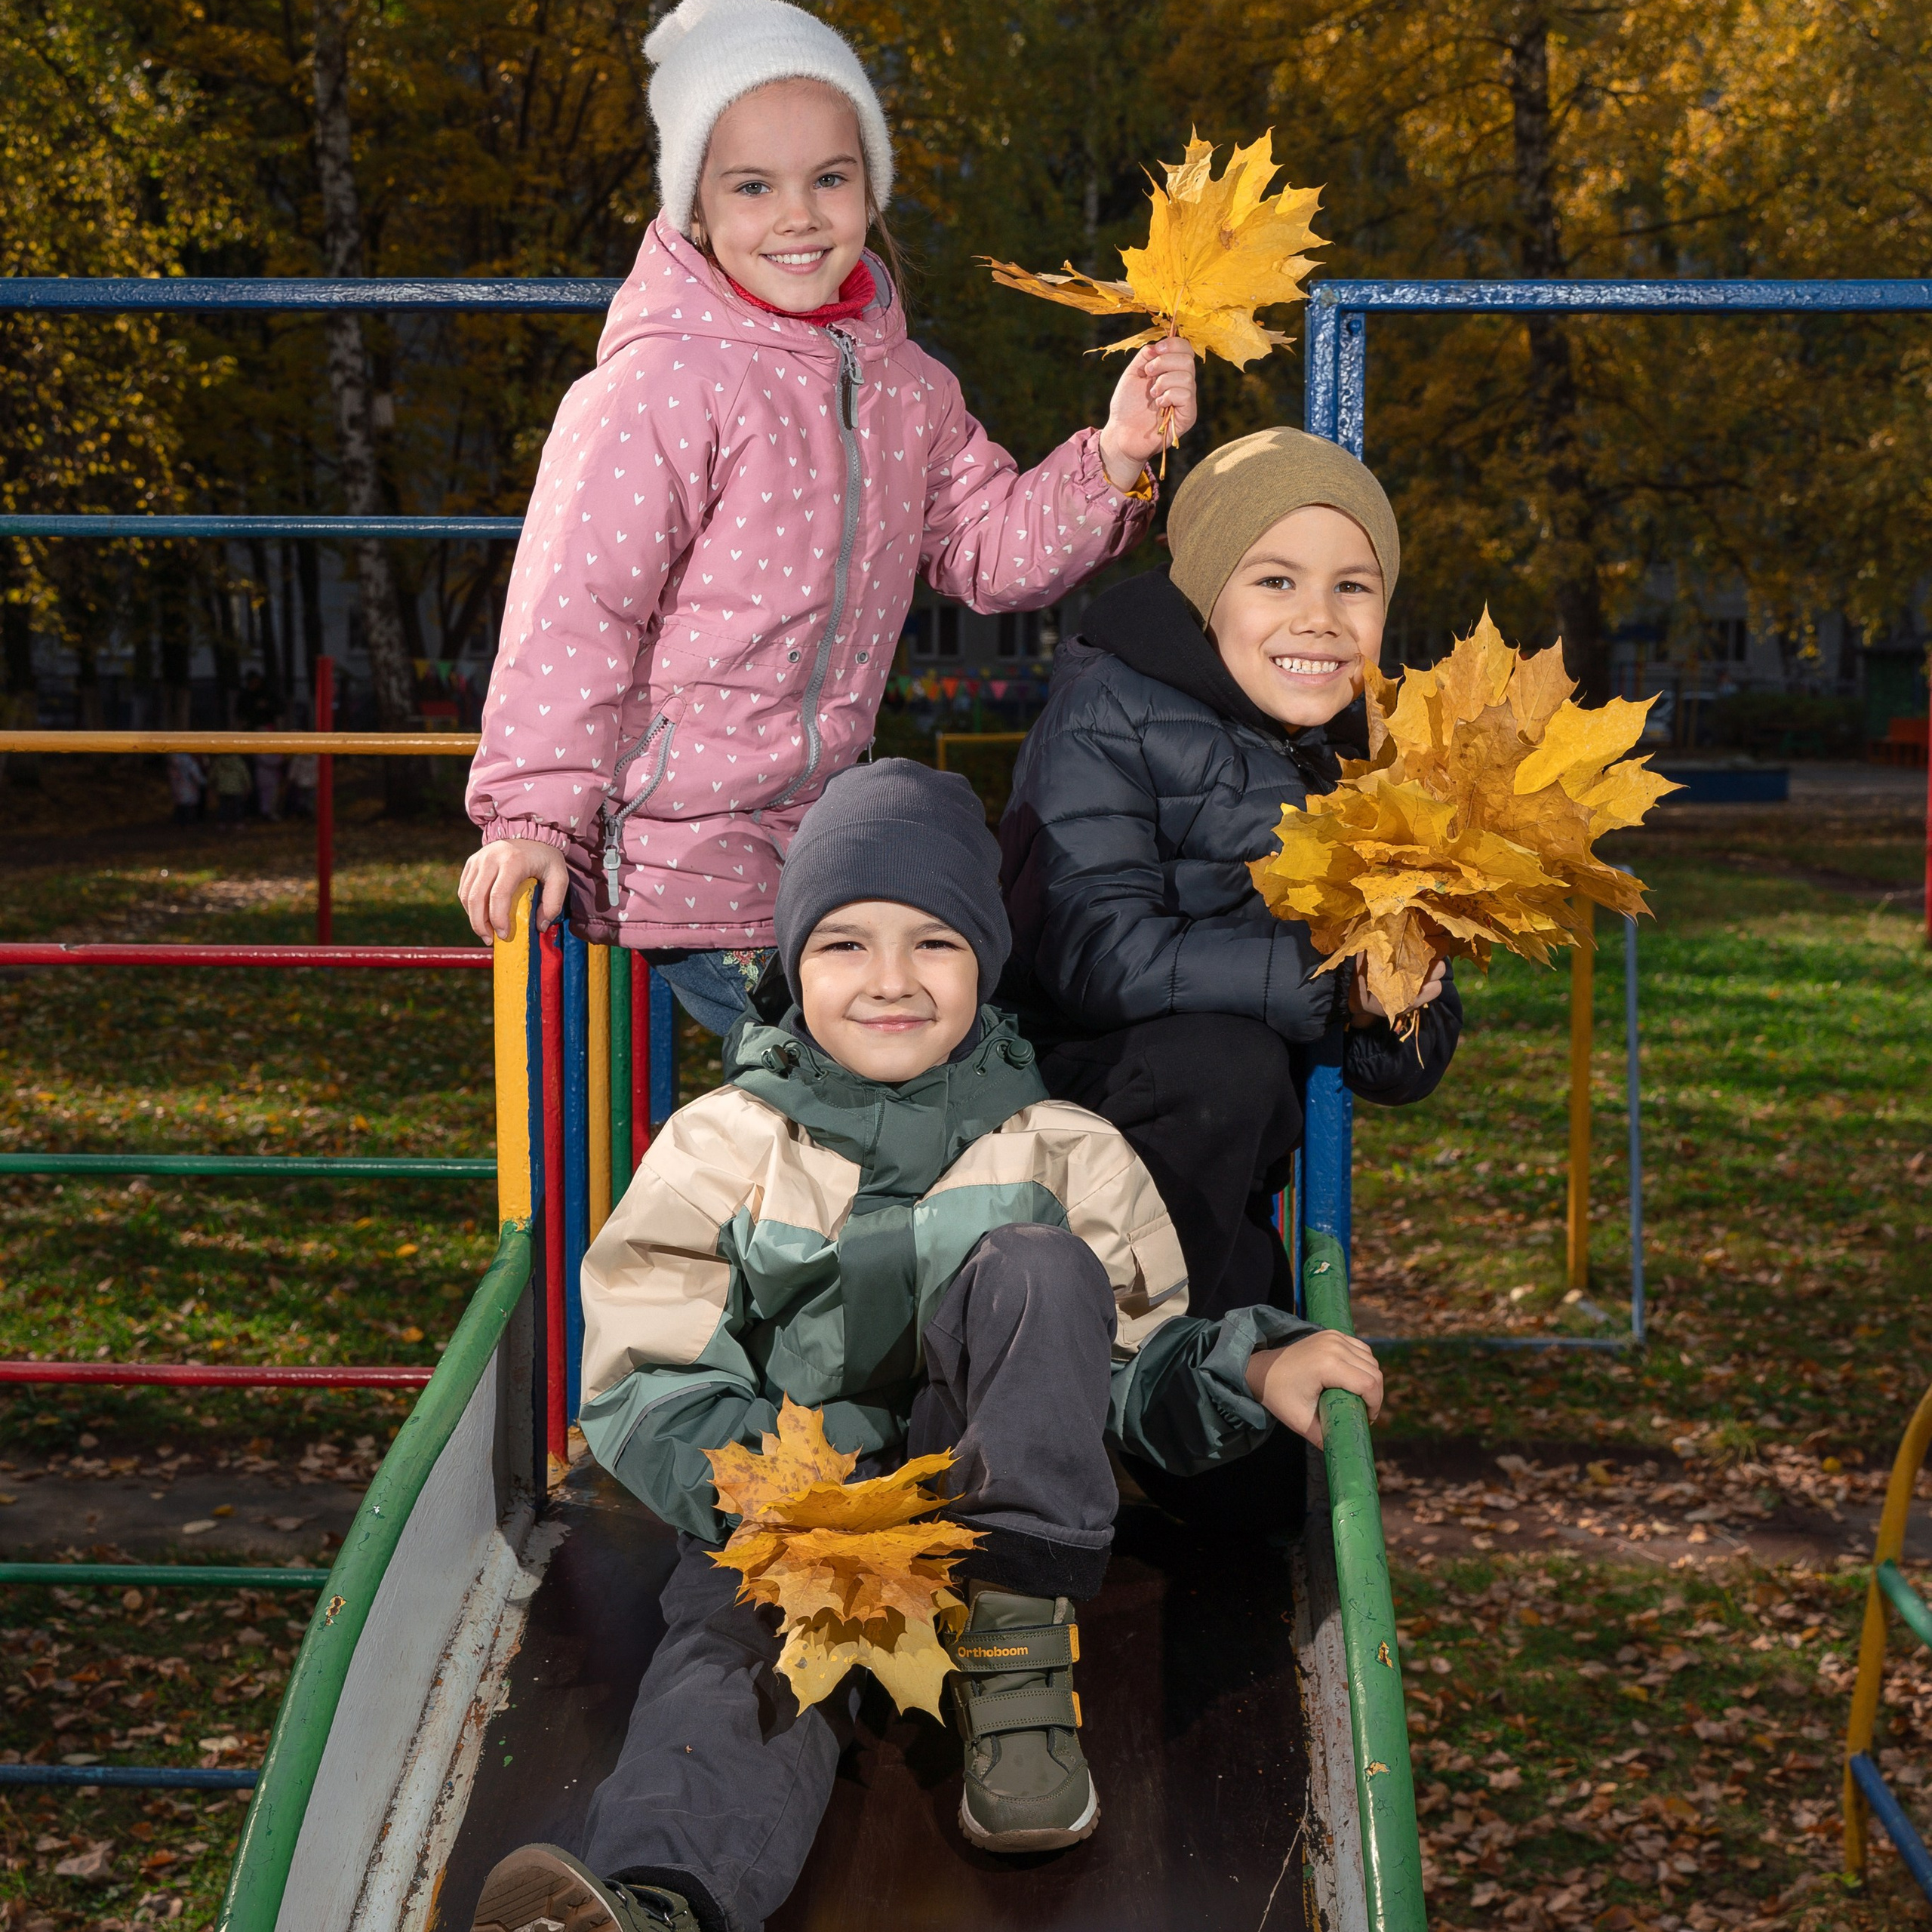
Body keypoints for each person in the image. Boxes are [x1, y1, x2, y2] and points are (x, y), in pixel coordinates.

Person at [469, 758, 1383, 1932]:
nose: (890, 980)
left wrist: (1249, 1365)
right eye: (845, 943)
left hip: (996, 1521)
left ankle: (1015, 1669)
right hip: (800, 1518)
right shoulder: (725, 1144)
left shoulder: (1062, 1149)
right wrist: (771, 1499)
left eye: (935, 944)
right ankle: (662, 1899)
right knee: (734, 1673)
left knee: (1042, 1266)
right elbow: (648, 1368)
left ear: (986, 964)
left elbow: (1129, 1367)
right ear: (791, 963)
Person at [458, 0, 1194, 1035]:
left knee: (944, 1051)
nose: (797, 215)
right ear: (696, 212)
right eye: (753, 186)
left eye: (830, 179)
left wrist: (1114, 456)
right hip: (671, 846)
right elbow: (575, 614)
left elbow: (989, 552)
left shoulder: (907, 388)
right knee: (860, 1079)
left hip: (823, 845)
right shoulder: (662, 385)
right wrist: (533, 823)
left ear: (870, 189)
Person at [998, 428, 1462, 1510]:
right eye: (1276, 580)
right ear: (1208, 593)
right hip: (1078, 1107)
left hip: (1222, 1171)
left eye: (1356, 586)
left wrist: (1402, 1004)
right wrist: (1322, 982)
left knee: (1237, 1074)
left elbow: (1402, 1069)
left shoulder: (1379, 758)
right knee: (1224, 1061)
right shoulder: (1111, 711)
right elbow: (1095, 953)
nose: (1320, 618)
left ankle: (1214, 1409)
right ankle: (1135, 1406)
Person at [211, 751, 252, 827]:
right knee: (237, 807)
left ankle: (222, 823)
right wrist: (248, 786)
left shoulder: (218, 762)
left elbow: (213, 774)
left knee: (223, 807)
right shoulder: (239, 762)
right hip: (237, 788)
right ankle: (238, 823)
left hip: (222, 788)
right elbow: (245, 775)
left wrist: (212, 785)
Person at [166, 752, 206, 825]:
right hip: (189, 788)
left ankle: (179, 823)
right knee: (188, 808)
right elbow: (195, 774)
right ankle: (188, 824)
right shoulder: (189, 761)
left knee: (180, 806)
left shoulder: (171, 759)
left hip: (177, 788)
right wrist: (203, 782)